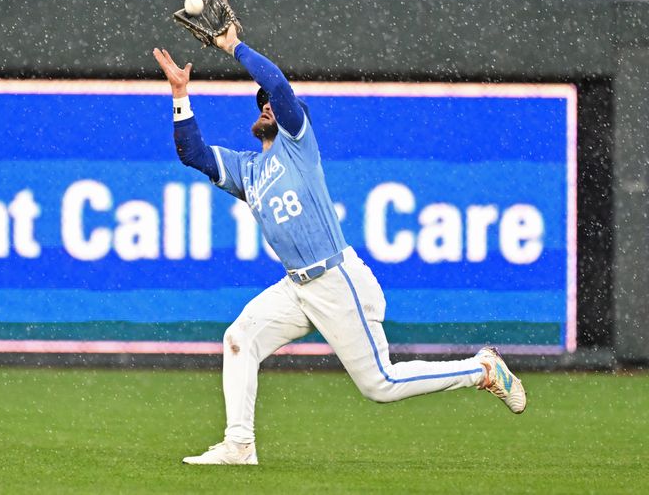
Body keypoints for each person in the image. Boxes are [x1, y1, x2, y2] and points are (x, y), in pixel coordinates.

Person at [152, 25, 527, 466]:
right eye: (261, 106)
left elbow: (274, 83)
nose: (267, 106)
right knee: (239, 339)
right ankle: (239, 445)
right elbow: (192, 153)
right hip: (297, 288)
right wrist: (180, 94)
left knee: (379, 384)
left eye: (271, 105)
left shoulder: (296, 142)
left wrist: (233, 46)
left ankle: (482, 369)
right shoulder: (247, 169)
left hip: (335, 277)